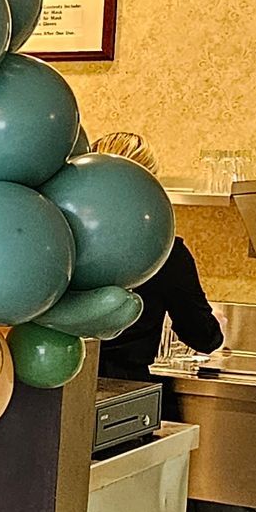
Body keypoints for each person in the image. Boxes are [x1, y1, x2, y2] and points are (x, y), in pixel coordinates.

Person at [89, 132, 225, 382]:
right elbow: (202, 337)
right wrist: (215, 323)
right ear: (150, 186)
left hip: (59, 380)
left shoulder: (66, 237)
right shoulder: (164, 251)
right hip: (126, 386)